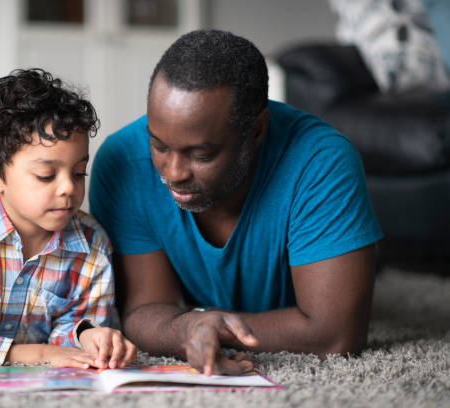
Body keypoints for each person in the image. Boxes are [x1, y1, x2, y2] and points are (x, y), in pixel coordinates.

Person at [89, 30, 383, 376]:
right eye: (159, 146)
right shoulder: (123, 161)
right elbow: (142, 311)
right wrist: (188, 330)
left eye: (201, 154)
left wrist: (207, 326)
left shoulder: (321, 161)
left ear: (256, 130)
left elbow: (335, 336)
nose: (173, 172)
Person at [0, 68, 136, 368]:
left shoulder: (92, 244)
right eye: (46, 175)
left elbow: (75, 327)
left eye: (78, 172)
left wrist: (88, 336)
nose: (69, 188)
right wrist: (38, 354)